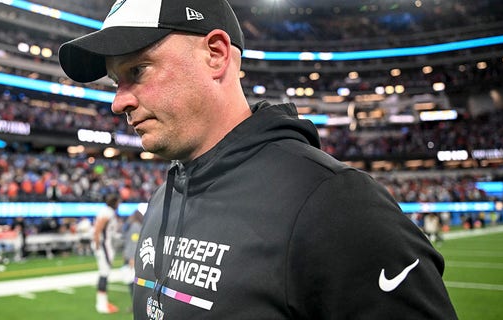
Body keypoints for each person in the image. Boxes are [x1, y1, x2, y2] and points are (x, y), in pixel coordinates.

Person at [58, 0, 458, 319]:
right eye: (116, 81)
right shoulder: (164, 196)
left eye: (137, 70)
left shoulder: (335, 203)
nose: (118, 101)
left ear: (215, 54)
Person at [92, 193, 122, 314]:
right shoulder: (107, 212)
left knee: (104, 274)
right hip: (104, 247)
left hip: (106, 246)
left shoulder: (107, 211)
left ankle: (103, 301)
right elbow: (98, 229)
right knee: (104, 274)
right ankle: (101, 304)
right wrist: (98, 246)